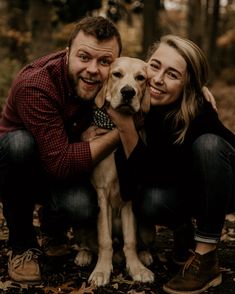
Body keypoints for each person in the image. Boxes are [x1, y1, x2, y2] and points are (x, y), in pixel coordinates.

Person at [108, 35, 235, 294]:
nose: (157, 79)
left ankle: (206, 257)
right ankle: (184, 230)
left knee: (208, 145)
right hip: (189, 188)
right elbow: (132, 186)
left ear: (188, 84)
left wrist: (124, 126)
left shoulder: (198, 109)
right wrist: (126, 123)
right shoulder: (142, 104)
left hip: (228, 185)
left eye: (173, 74)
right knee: (149, 199)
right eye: (155, 66)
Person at [0, 16, 122, 284]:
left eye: (104, 62)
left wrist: (196, 88)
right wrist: (118, 133)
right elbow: (60, 164)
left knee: (83, 206)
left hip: (65, 160)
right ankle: (22, 246)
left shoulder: (110, 78)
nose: (93, 69)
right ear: (67, 54)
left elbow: (148, 79)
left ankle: (53, 228)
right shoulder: (36, 85)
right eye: (84, 57)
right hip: (23, 169)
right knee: (19, 144)